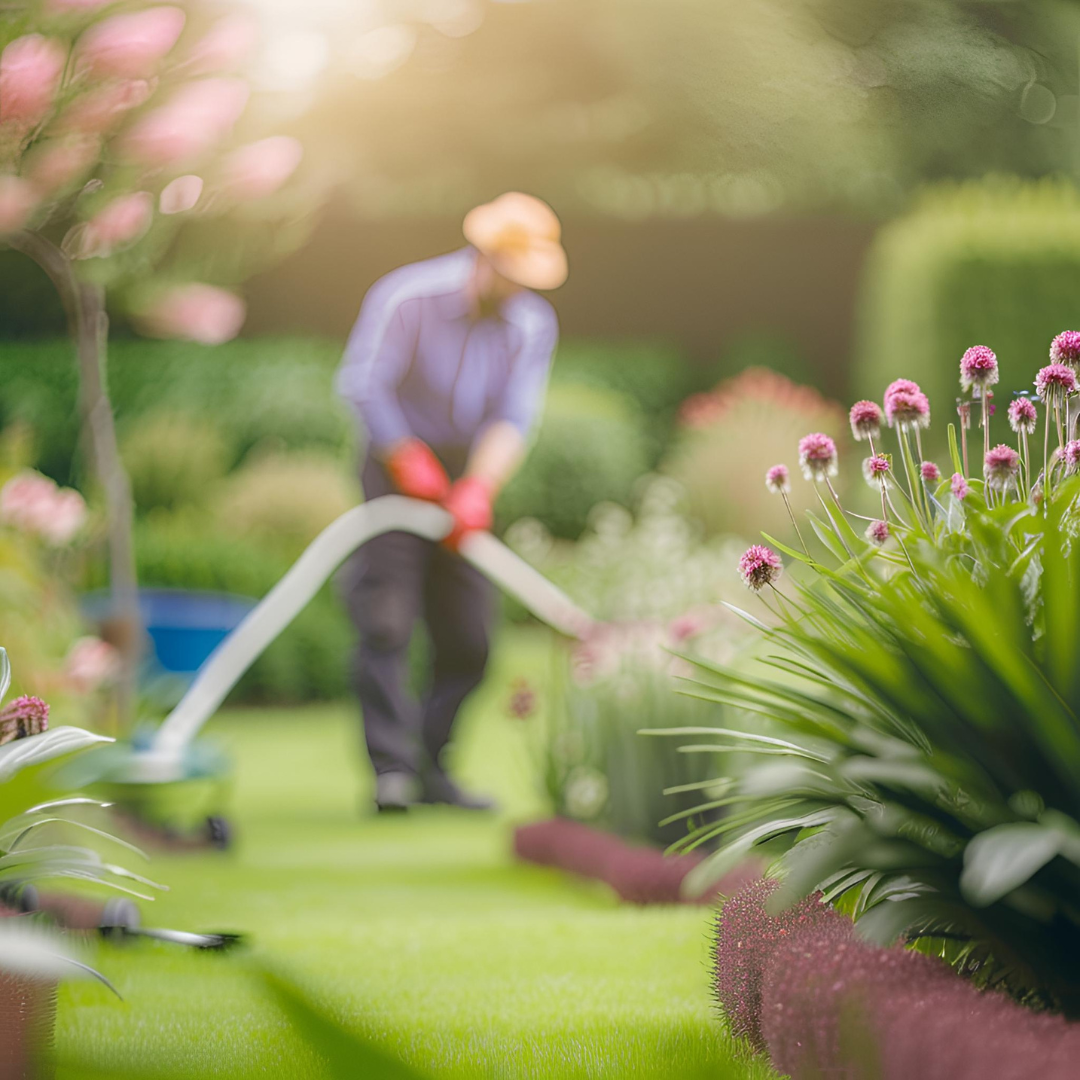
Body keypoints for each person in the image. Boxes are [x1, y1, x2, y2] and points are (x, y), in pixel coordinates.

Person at [336, 192, 567, 812]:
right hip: (393, 463)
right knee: (385, 621)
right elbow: (362, 382)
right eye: (510, 275)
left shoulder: (529, 324)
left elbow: (515, 417)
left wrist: (478, 487)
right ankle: (391, 773)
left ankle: (432, 766)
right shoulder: (408, 298)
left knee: (469, 637)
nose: (518, 289)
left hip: (467, 471)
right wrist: (404, 455)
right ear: (484, 259)